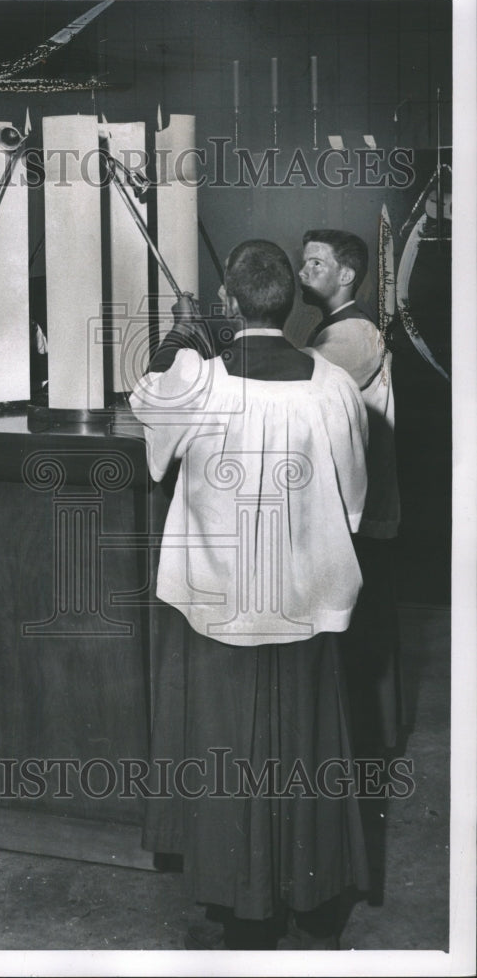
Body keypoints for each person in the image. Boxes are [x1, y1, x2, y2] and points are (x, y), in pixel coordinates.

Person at [130, 240, 370, 950]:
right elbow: (351, 501)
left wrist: (182, 339)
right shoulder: (329, 383)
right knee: (303, 744)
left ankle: (240, 905)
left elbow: (152, 448)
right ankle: (310, 894)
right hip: (303, 597)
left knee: (224, 750)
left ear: (229, 304)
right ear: (291, 303)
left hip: (217, 601)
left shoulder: (195, 378)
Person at [299, 229, 403, 755]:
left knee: (362, 632)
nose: (303, 272)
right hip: (356, 508)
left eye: (316, 263)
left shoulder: (353, 334)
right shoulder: (335, 328)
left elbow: (298, 385)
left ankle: (371, 745)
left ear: (347, 275)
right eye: (302, 263)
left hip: (362, 512)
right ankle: (372, 740)